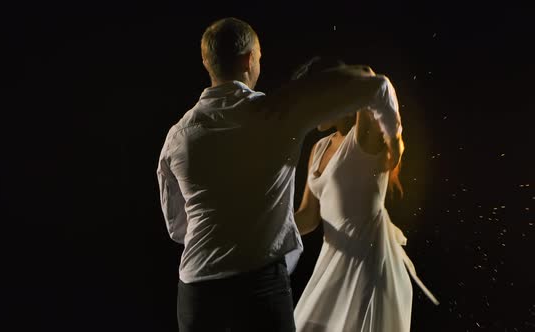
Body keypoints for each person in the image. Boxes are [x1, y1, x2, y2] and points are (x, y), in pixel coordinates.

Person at [157, 18, 404, 332]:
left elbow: (177, 227)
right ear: (249, 60)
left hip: (197, 291)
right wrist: (395, 142)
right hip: (259, 287)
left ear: (208, 64)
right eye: (259, 56)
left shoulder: (176, 138)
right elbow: (377, 86)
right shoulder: (278, 114)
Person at [292, 56, 439, 332]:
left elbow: (375, 83)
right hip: (332, 261)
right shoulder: (319, 148)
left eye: (312, 98)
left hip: (367, 262)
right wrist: (263, 231)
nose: (308, 109)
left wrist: (395, 141)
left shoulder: (365, 133)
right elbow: (308, 217)